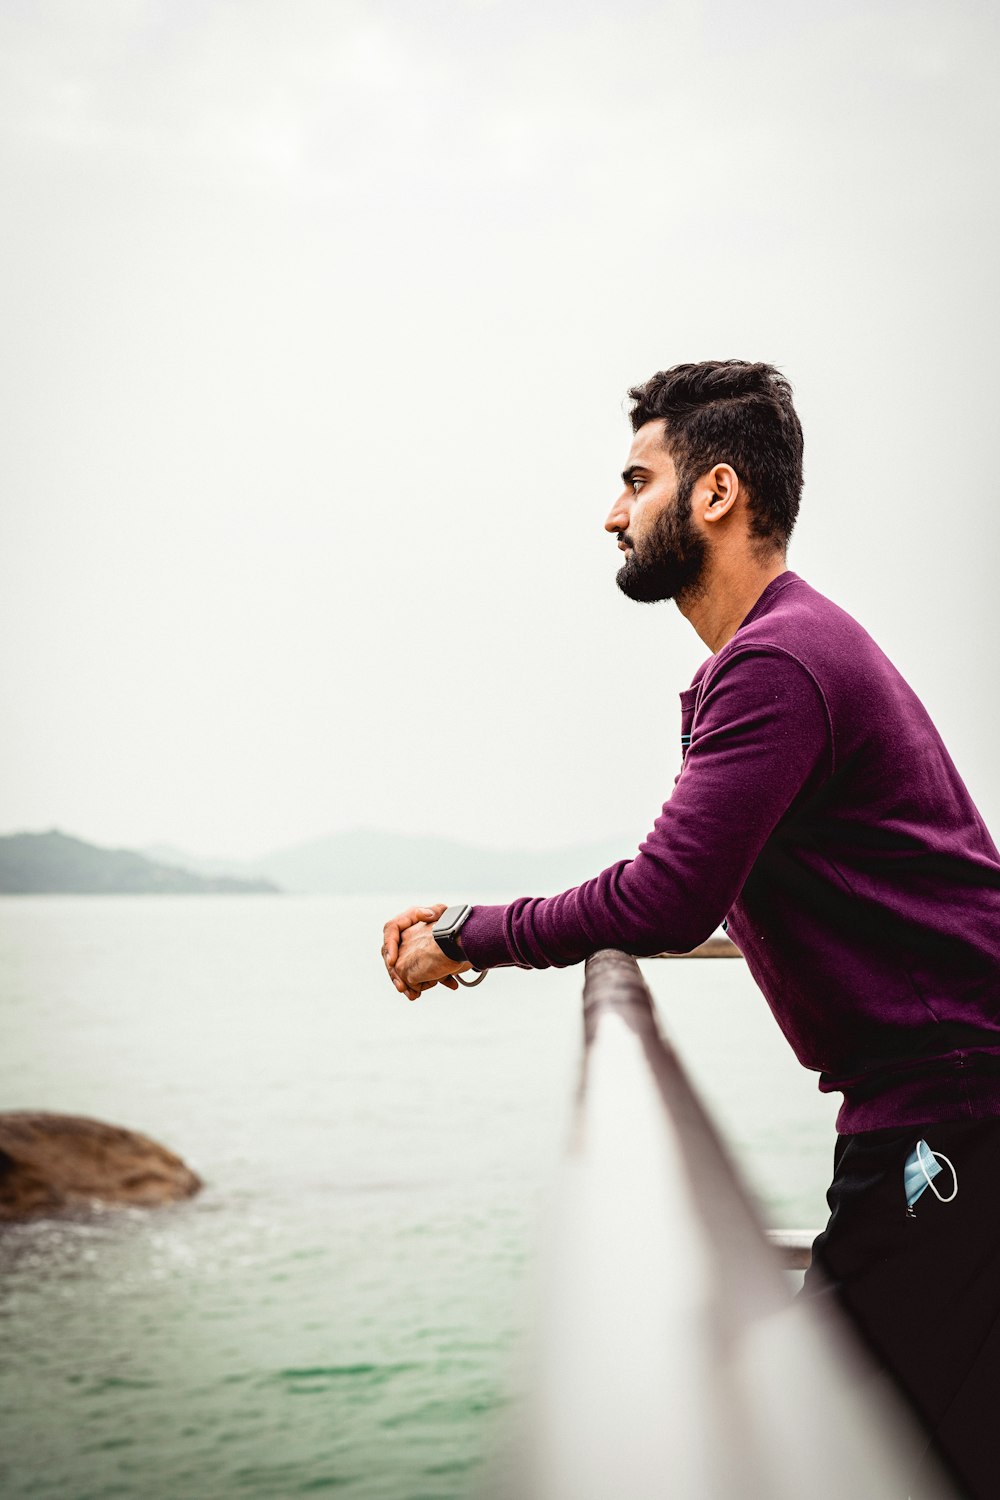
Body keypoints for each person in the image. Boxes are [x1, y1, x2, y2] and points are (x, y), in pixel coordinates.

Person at [379, 360, 1000, 1498]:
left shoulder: (775, 662)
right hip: (945, 1100)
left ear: (713, 494)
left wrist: (466, 931)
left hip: (952, 1114)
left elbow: (663, 897)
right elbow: (697, 884)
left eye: (634, 480)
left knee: (830, 1440)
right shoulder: (780, 651)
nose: (611, 511)